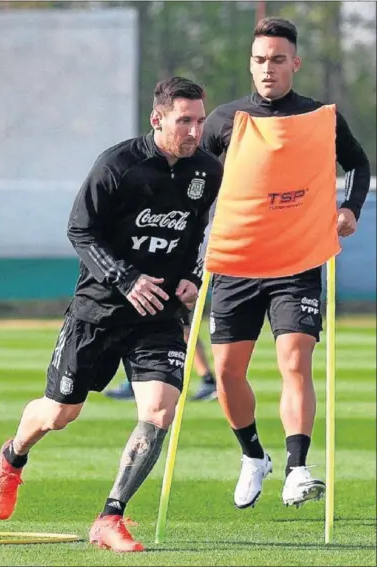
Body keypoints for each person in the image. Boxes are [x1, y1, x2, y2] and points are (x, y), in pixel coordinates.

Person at [0, 76, 223, 552]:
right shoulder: (118, 165)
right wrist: (126, 279)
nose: (195, 131)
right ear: (157, 119)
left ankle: (110, 516)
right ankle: (13, 455)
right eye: (185, 121)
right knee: (60, 413)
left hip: (158, 316)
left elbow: (205, 233)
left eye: (200, 121)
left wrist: (194, 277)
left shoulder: (206, 172)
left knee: (159, 410)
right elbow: (80, 229)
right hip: (97, 311)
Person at [201, 17, 370, 510]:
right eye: (259, 60)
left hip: (296, 261)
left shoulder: (320, 117)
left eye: (278, 59)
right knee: (229, 373)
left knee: (295, 360)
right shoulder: (224, 120)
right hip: (236, 261)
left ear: (294, 63)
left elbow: (358, 163)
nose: (268, 68)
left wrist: (349, 208)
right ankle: (253, 456)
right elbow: (198, 177)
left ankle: (298, 468)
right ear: (250, 65)